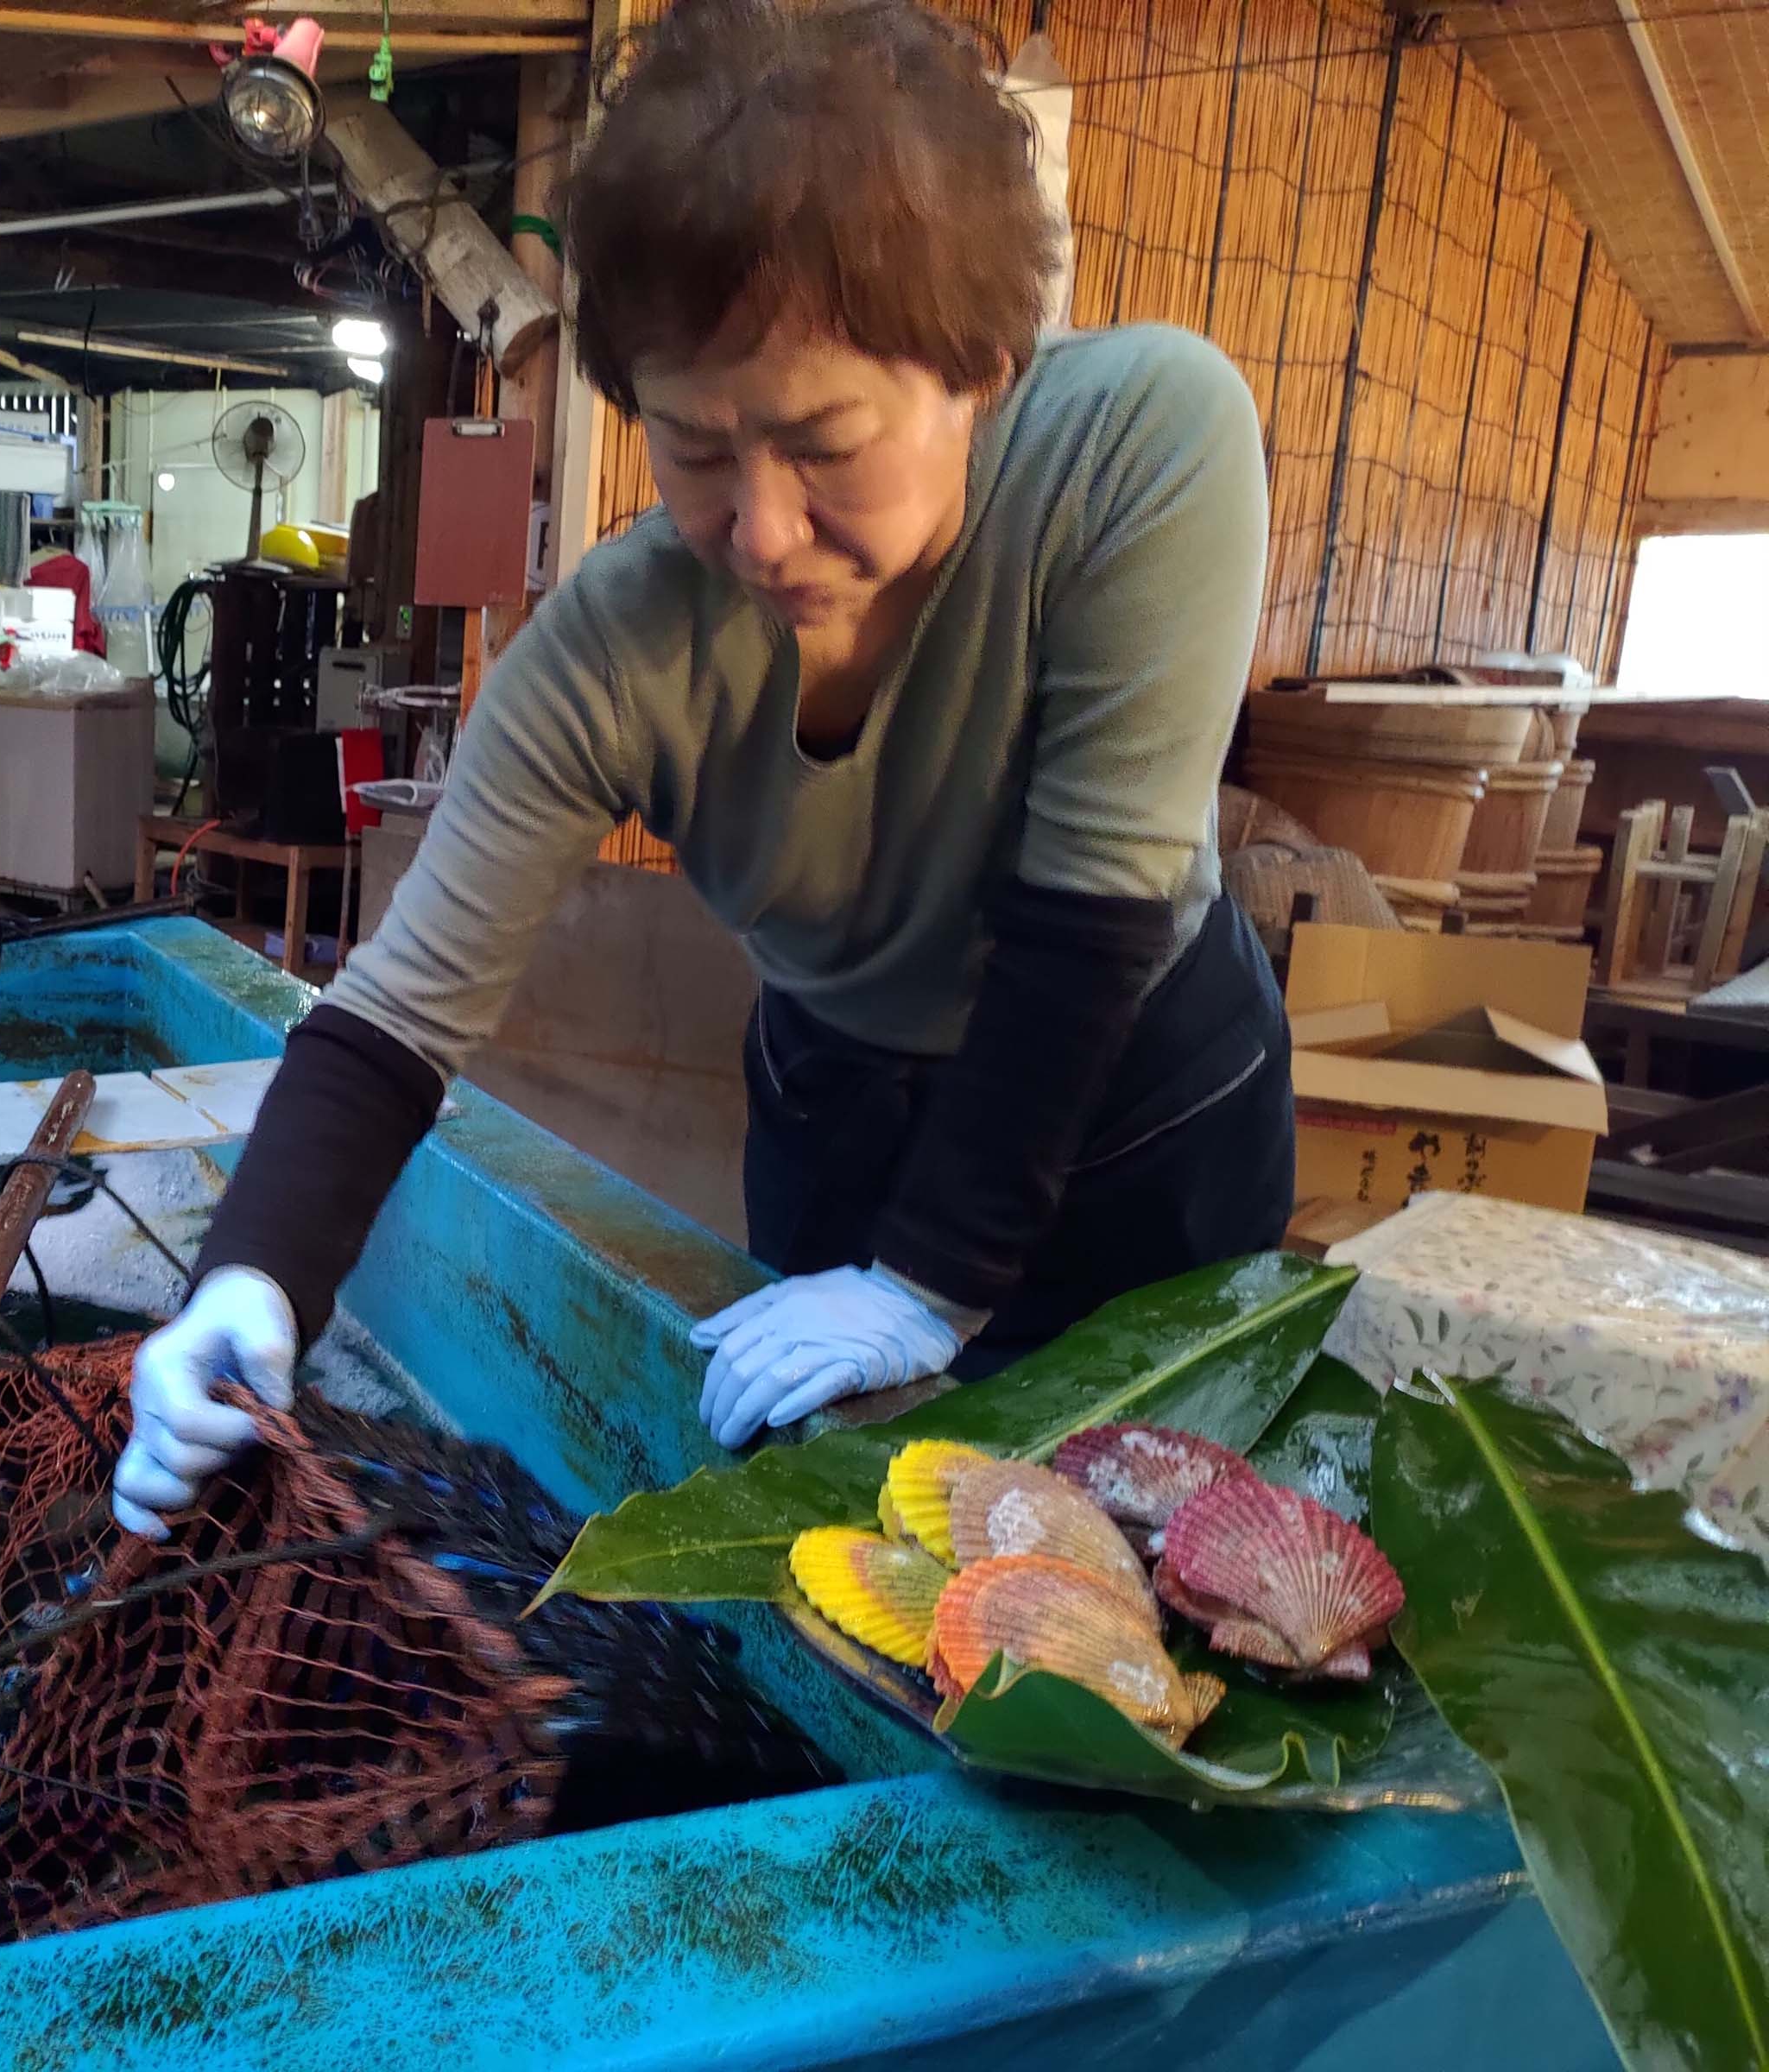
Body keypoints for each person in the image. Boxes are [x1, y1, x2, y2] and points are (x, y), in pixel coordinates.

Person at [111, 0, 1294, 1538]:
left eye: (825, 440)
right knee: (858, 1576)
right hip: (846, 1114)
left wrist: (923, 1285)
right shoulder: (624, 639)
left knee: (1163, 1596)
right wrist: (248, 1281)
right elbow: (398, 1012)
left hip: (1135, 1111)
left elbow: (1092, 916)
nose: (764, 529)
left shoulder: (1142, 442)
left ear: (985, 367)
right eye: (696, 450)